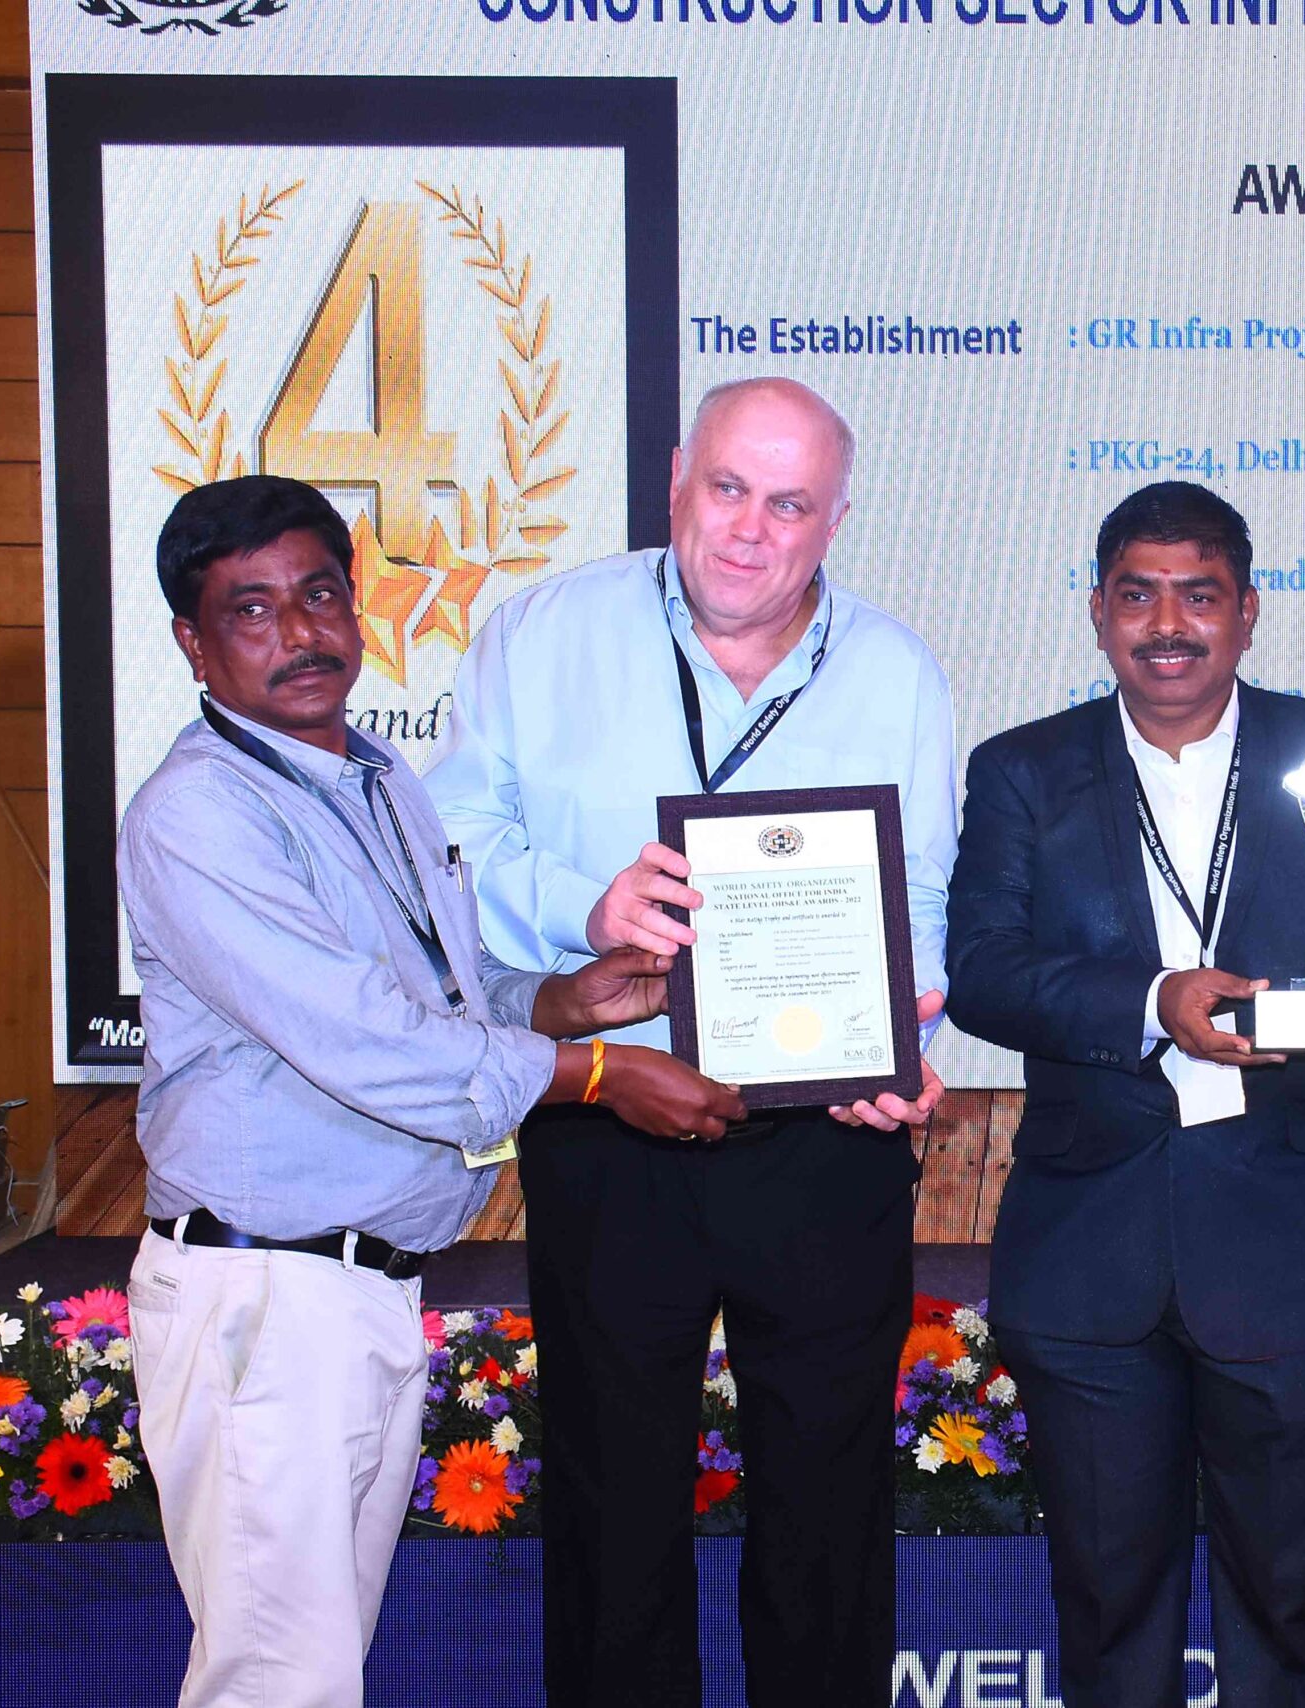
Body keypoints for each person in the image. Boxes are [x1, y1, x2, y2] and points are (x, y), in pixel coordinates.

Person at [119, 475, 742, 1708]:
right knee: (278, 1682)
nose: (301, 634)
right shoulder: (199, 812)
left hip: (352, 1290)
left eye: (319, 596)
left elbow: (437, 995)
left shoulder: (376, 778)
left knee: (312, 1669)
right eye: (252, 610)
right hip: (265, 1295)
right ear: (192, 643)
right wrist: (597, 1076)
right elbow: (361, 1040)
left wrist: (563, 1001)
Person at [424, 378, 955, 1707]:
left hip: (824, 1139)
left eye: (789, 503)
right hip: (614, 1112)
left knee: (830, 1508)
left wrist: (899, 1032)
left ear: (835, 521)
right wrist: (583, 906)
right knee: (611, 1501)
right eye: (728, 488)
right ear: (675, 478)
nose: (749, 529)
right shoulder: (541, 634)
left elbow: (922, 896)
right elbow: (450, 847)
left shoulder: (895, 670)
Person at [945, 480, 1305, 1708]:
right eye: (1138, 596)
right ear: (1097, 612)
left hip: (1284, 1242)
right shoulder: (1021, 770)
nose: (1167, 624)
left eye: (1199, 595)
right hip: (1088, 1247)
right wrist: (1151, 998)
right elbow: (982, 972)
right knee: (1109, 1608)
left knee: (1291, 1600)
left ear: (1248, 610)